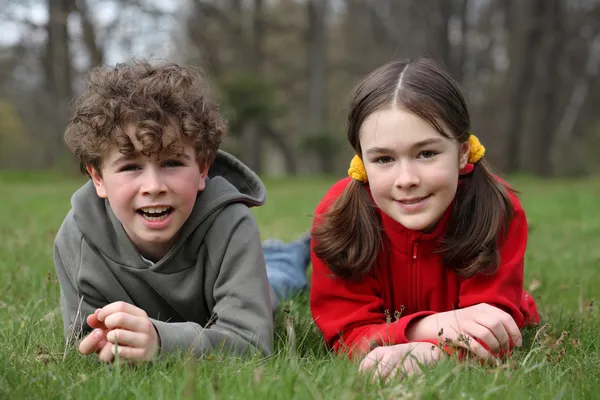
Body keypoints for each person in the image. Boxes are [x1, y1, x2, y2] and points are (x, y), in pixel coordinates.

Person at [53, 60, 310, 365]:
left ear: (203, 168)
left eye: (172, 163)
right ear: (98, 179)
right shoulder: (78, 236)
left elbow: (252, 344)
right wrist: (103, 344)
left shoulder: (230, 225)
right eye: (130, 167)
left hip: (247, 277)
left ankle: (291, 253)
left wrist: (161, 342)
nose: (153, 186)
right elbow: (82, 342)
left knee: (278, 279)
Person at [309, 56, 540, 379]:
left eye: (427, 153)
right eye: (384, 158)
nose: (406, 179)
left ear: (462, 152)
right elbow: (347, 335)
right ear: (362, 161)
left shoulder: (495, 209)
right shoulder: (338, 215)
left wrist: (430, 354)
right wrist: (430, 326)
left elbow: (493, 331)